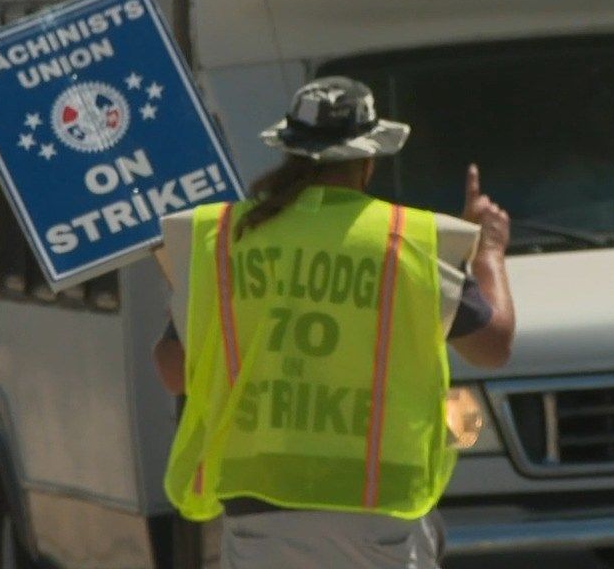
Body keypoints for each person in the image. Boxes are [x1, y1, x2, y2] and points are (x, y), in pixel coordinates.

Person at [152, 76, 515, 569]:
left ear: (291, 152)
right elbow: (493, 347)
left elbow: (173, 372)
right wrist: (490, 252)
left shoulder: (224, 238)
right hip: (377, 515)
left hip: (257, 510)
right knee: (462, 411)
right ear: (369, 160)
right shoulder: (407, 240)